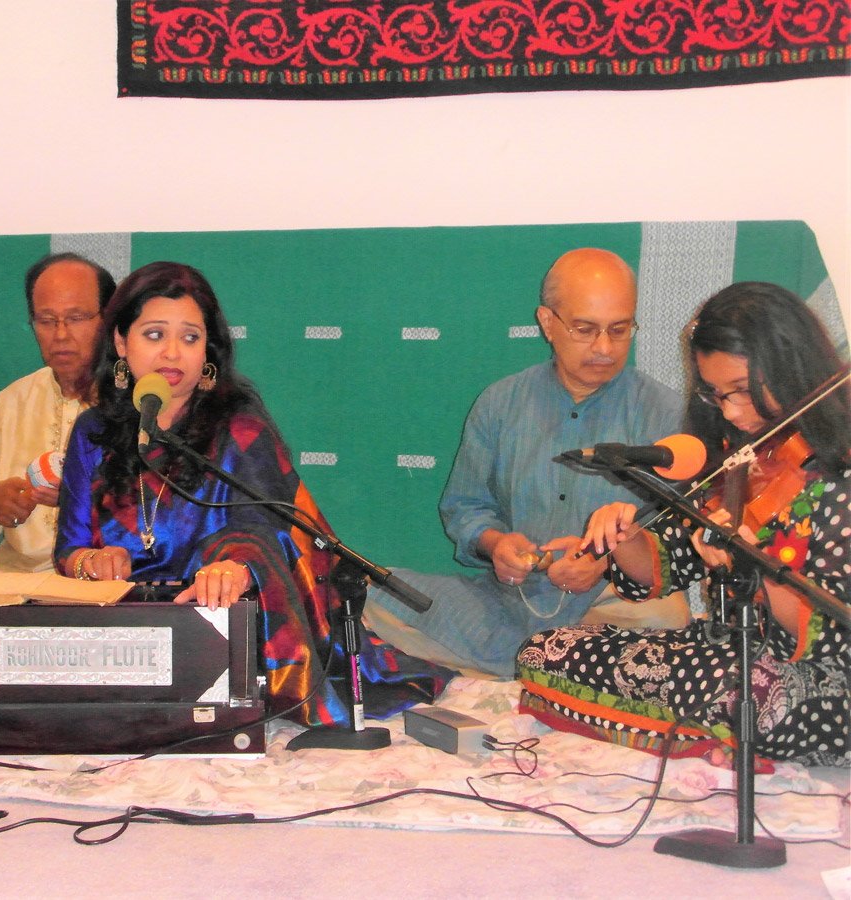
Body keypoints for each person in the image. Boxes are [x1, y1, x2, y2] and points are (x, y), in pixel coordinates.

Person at [55, 261, 450, 726]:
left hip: (226, 628)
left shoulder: (239, 428)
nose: (173, 354)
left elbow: (268, 528)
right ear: (122, 342)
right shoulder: (93, 432)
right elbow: (68, 550)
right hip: (123, 641)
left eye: (190, 337)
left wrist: (238, 565)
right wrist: (90, 561)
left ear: (208, 349)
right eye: (155, 334)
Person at [518, 282, 849, 766]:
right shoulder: (739, 460)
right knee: (546, 650)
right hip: (732, 655)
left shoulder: (840, 474)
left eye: (742, 391)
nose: (732, 412)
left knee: (748, 693)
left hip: (827, 681)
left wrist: (752, 568)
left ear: (791, 368)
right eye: (717, 395)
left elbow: (834, 629)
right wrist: (623, 538)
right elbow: (667, 564)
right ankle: (709, 734)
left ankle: (705, 730)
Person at [364, 247, 685, 677]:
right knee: (373, 592)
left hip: (607, 603)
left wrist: (608, 563)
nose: (604, 347)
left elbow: (677, 535)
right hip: (508, 601)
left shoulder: (666, 415)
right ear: (547, 323)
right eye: (585, 329)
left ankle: (541, 664)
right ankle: (553, 665)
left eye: (620, 329)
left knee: (665, 614)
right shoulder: (500, 403)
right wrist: (497, 545)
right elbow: (465, 508)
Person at [0, 253, 116, 572]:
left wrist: (84, 499)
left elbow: (166, 515)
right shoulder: (15, 399)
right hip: (18, 578)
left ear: (108, 321)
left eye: (76, 318)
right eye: (46, 321)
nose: (60, 335)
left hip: (105, 578)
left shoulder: (136, 401)